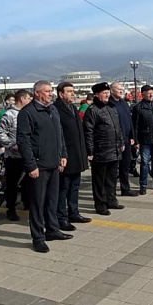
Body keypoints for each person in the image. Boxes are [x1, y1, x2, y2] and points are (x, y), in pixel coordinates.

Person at [17, 80, 71, 253]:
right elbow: (23, 141)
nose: (50, 94)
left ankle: (52, 230)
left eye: (51, 91)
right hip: (38, 165)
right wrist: (31, 165)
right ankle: (38, 237)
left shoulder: (52, 110)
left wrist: (63, 154)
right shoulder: (27, 113)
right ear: (37, 93)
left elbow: (60, 134)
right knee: (37, 203)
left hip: (54, 163)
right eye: (47, 91)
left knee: (52, 200)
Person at [54, 82, 91, 231]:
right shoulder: (56, 109)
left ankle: (74, 213)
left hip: (77, 154)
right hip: (66, 155)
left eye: (73, 91)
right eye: (69, 91)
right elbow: (58, 134)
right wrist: (61, 155)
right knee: (63, 188)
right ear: (61, 94)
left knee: (75, 186)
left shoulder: (73, 108)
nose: (72, 94)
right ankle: (61, 218)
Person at [83, 82, 124, 215]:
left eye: (108, 93)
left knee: (111, 179)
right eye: (104, 93)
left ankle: (111, 200)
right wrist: (90, 151)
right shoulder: (92, 110)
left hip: (114, 149)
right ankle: (100, 205)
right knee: (99, 181)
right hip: (100, 151)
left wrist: (121, 142)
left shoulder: (111, 107)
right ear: (97, 94)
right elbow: (88, 132)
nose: (107, 95)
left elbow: (118, 127)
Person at [0, 89, 32, 221]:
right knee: (12, 184)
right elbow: (0, 132)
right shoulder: (9, 114)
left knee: (28, 181)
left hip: (27, 154)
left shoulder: (28, 112)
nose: (30, 101)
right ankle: (10, 209)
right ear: (22, 99)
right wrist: (11, 145)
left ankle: (27, 203)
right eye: (28, 98)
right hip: (14, 156)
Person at [109, 82, 138, 197]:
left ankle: (125, 188)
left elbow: (129, 121)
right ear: (112, 91)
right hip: (116, 140)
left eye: (122, 89)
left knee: (125, 165)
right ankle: (111, 192)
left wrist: (132, 137)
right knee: (114, 168)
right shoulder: (109, 104)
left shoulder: (124, 103)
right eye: (118, 89)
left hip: (127, 139)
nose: (121, 91)